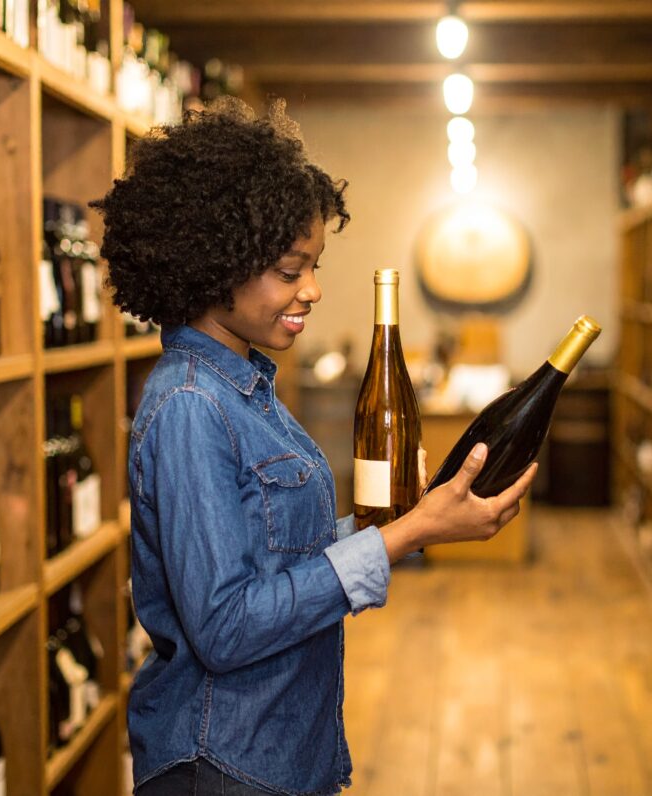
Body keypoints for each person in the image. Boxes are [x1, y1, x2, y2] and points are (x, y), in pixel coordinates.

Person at [92, 98, 535, 796]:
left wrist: (401, 524)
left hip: (276, 753)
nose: (315, 290)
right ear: (218, 263)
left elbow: (272, 558)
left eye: (315, 266)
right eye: (291, 269)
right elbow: (226, 627)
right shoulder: (188, 406)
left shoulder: (244, 389)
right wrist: (401, 538)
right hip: (222, 765)